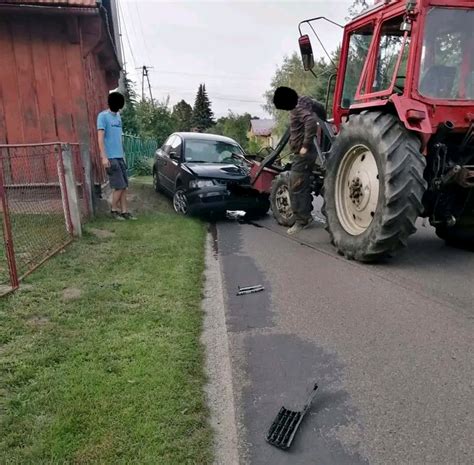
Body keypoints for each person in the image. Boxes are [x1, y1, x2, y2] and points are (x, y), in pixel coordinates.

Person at [273, 86, 327, 235]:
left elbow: (310, 122)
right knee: (315, 178)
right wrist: (325, 122)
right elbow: (320, 108)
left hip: (304, 153)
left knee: (296, 184)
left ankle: (302, 220)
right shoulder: (305, 101)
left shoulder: (296, 107)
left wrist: (305, 145)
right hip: (313, 151)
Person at [97, 91, 136, 220]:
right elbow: (100, 138)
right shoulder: (102, 116)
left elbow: (119, 138)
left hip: (120, 157)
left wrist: (123, 155)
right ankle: (113, 210)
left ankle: (125, 212)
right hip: (110, 158)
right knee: (119, 186)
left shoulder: (118, 117)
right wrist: (104, 157)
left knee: (124, 186)